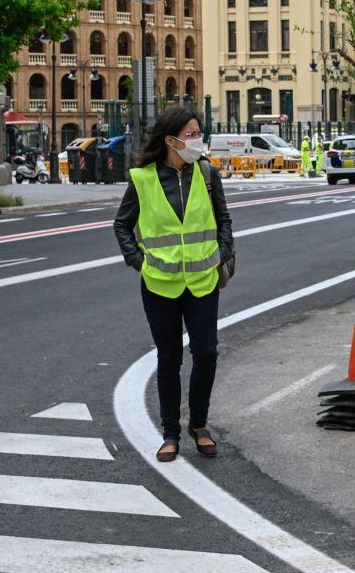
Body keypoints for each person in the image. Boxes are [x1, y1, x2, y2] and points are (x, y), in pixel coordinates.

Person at [113, 107, 234, 463]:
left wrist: (220, 254)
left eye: (198, 133)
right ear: (171, 140)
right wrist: (139, 262)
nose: (198, 140)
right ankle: (170, 433)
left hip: (201, 280)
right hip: (159, 284)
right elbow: (122, 225)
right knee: (168, 358)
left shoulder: (208, 173)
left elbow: (224, 219)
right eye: (191, 134)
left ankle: (199, 424)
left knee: (207, 353)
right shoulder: (143, 178)